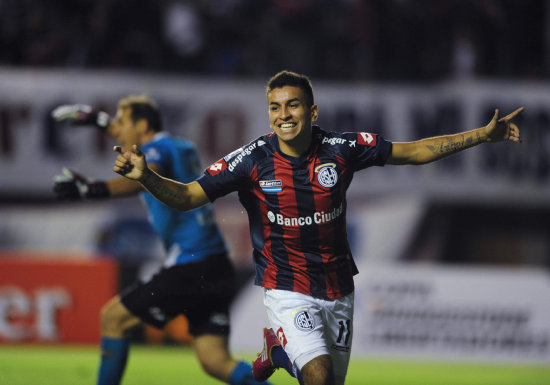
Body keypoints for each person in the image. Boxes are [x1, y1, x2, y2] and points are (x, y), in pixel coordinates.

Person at [111, 72, 523, 385]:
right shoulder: (251, 160)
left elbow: (413, 152)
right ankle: (284, 350)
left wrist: (482, 136)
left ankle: (277, 353)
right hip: (286, 288)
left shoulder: (342, 149)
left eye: (292, 106)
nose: (283, 115)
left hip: (339, 289)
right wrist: (146, 177)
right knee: (319, 376)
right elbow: (187, 196)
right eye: (275, 107)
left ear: (312, 112)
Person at [51, 95, 272, 385]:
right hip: (216, 265)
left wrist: (91, 189)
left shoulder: (156, 149)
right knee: (215, 361)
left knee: (113, 318)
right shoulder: (180, 146)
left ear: (142, 125)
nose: (117, 129)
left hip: (193, 265)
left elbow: (143, 175)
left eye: (122, 121)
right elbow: (128, 138)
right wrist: (97, 120)